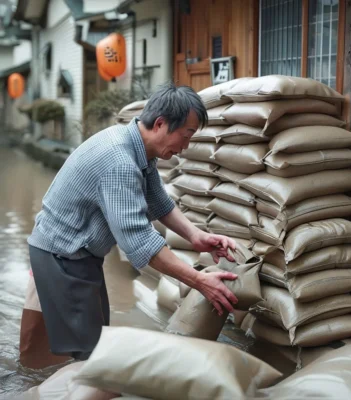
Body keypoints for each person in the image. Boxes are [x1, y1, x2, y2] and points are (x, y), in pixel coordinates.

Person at [23, 82, 238, 362]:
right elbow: (139, 242)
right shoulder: (119, 161)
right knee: (90, 355)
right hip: (61, 257)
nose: (185, 147)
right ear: (160, 124)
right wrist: (200, 281)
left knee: (83, 345)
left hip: (74, 255)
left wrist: (197, 237)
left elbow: (158, 201)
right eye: (186, 135)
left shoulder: (137, 149)